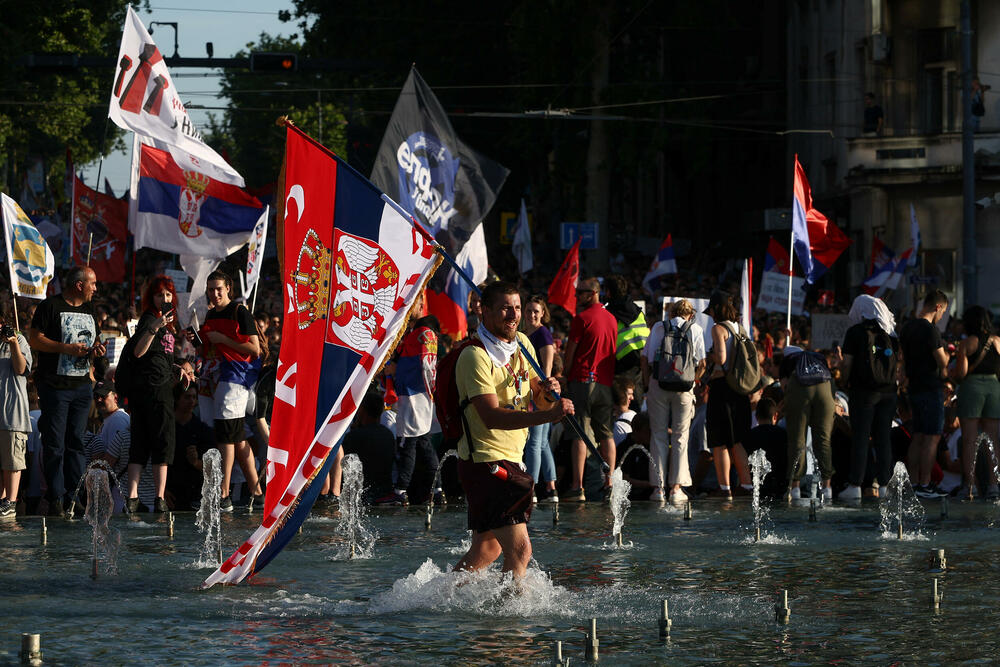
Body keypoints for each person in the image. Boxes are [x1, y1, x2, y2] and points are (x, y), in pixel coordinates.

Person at [452, 281, 572, 580]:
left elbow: (536, 393)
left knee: (487, 550)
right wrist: (547, 416)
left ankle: (436, 599)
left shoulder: (522, 344)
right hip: (487, 462)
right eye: (505, 308)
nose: (513, 314)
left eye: (517, 307)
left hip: (510, 457)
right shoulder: (473, 356)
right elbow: (491, 416)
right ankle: (508, 623)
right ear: (485, 311)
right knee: (520, 551)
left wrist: (549, 392)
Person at [29, 266, 106, 516]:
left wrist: (96, 350)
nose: (96, 288)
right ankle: (56, 497)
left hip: (82, 386)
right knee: (55, 443)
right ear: (79, 285)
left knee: (77, 442)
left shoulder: (89, 309)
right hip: (55, 386)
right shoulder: (50, 306)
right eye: (92, 283)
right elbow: (34, 339)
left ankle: (75, 497)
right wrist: (65, 348)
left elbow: (91, 341)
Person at [196, 269, 262, 513]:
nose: (214, 294)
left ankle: (224, 495)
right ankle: (256, 491)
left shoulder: (239, 311)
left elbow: (254, 349)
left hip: (236, 377)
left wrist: (222, 339)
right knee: (236, 436)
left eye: (218, 289)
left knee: (226, 435)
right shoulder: (211, 314)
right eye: (211, 289)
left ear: (228, 289)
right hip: (218, 376)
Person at [125, 276, 184, 514]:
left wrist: (177, 367)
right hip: (149, 390)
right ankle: (137, 496)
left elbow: (161, 358)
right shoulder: (150, 319)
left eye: (169, 294)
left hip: (161, 386)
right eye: (160, 295)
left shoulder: (169, 324)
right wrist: (155, 326)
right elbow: (139, 352)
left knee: (160, 441)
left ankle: (154, 498)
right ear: (152, 298)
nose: (165, 299)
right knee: (148, 441)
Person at [641, 298, 706, 503]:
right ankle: (676, 488)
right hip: (685, 388)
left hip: (658, 384)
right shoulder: (695, 330)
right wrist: (693, 380)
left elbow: (645, 358)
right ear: (690, 314)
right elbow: (702, 363)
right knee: (680, 436)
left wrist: (646, 383)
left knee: (658, 435)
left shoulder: (659, 327)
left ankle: (658, 489)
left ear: (671, 313)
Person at [376, 304, 441, 506]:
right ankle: (437, 489)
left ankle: (401, 491)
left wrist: (396, 370)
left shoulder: (422, 332)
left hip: (413, 396)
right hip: (418, 395)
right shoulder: (423, 333)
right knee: (422, 444)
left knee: (409, 444)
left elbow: (420, 365)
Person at [838, 295, 898, 500]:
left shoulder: (855, 333)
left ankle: (855, 485)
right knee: (883, 439)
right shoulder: (890, 333)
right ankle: (884, 485)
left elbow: (846, 363)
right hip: (889, 392)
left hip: (863, 392)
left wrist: (844, 381)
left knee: (861, 438)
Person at [563, 277, 618, 501]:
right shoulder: (612, 320)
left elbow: (570, 353)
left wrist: (565, 375)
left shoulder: (581, 318)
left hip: (582, 381)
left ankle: (578, 487)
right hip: (605, 383)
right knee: (606, 434)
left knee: (579, 434)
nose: (576, 297)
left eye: (581, 293)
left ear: (593, 293)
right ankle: (609, 483)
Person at [899, 290, 950, 499]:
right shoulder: (931, 330)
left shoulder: (908, 327)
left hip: (915, 388)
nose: (942, 316)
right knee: (932, 437)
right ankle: (925, 483)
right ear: (938, 307)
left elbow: (903, 358)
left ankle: (912, 482)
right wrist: (947, 358)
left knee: (918, 436)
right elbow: (943, 362)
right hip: (930, 387)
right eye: (943, 311)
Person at [703, 291, 753, 499]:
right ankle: (747, 485)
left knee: (719, 441)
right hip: (740, 389)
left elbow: (721, 358)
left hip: (722, 389)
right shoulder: (740, 329)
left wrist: (709, 355)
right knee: (737, 440)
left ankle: (724, 489)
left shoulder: (718, 329)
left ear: (716, 310)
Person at [952, 305, 1000, 499]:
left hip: (972, 388)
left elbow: (962, 374)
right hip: (994, 387)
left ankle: (970, 486)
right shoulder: (997, 341)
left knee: (970, 439)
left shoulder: (966, 344)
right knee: (993, 439)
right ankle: (994, 485)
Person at [780, 342, 835, 500]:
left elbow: (784, 386)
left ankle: (795, 488)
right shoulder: (817, 358)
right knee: (823, 439)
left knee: (797, 438)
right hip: (825, 386)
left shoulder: (788, 360)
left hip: (800, 387)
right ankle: (827, 488)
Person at [522, 296, 558, 503]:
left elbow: (547, 367)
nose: (532, 315)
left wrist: (542, 393)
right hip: (531, 391)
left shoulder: (543, 333)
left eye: (536, 311)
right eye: (529, 311)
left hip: (539, 393)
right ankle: (551, 488)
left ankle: (531, 488)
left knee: (534, 442)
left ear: (543, 313)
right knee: (542, 442)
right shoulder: (525, 334)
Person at [0, 310, 32, 517]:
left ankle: (11, 502)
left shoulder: (19, 339)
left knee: (12, 461)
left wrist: (13, 343)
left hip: (12, 413)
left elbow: (22, 369)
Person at [342, 391, 396, 503]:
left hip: (366, 496)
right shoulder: (388, 434)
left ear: (362, 410)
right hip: (386, 492)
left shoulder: (353, 436)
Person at [604, 275, 649, 403]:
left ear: (608, 292)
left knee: (622, 399)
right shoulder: (636, 309)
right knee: (636, 395)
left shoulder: (609, 312)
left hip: (623, 360)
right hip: (642, 355)